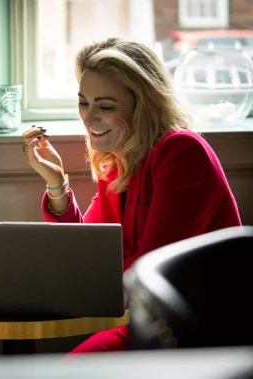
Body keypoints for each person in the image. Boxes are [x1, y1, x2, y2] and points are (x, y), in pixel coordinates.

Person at [22, 37, 242, 354]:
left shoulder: (181, 152)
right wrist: (56, 183)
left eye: (106, 106)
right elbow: (89, 250)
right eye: (84, 102)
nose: (88, 117)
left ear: (144, 107)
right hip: (148, 320)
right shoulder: (118, 161)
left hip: (191, 329)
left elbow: (146, 272)